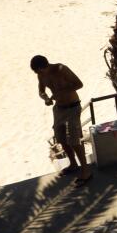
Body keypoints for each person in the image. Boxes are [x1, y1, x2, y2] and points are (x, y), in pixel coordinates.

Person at [30, 55, 92, 185]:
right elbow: (41, 91)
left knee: (74, 140)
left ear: (44, 66)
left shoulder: (61, 69)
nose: (38, 74)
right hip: (59, 109)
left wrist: (60, 92)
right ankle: (73, 164)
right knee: (61, 139)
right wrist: (45, 97)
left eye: (39, 71)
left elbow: (79, 84)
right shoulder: (41, 75)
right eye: (37, 72)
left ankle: (85, 171)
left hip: (72, 107)